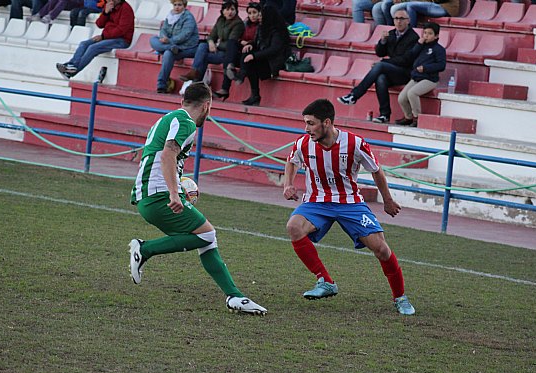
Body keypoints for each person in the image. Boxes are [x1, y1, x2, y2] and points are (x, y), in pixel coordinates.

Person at [129, 82, 268, 316]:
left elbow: (159, 156)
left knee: (206, 238)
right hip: (158, 195)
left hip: (150, 193)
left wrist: (180, 185)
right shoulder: (185, 122)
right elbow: (167, 155)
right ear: (207, 105)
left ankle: (235, 296)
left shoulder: (170, 118)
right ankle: (144, 249)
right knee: (206, 234)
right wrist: (174, 193)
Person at [283, 98, 415, 316]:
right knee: (294, 227)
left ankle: (400, 297)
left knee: (381, 249)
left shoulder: (354, 143)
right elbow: (291, 161)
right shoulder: (303, 143)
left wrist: (388, 200)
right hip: (317, 201)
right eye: (305, 123)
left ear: (327, 122)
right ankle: (325, 281)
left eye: (311, 123)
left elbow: (376, 171)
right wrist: (288, 184)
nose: (306, 129)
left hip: (350, 203)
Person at [336, 9, 418, 124]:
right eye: (396, 19)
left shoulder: (413, 37)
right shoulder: (391, 34)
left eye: (402, 19)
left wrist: (385, 62)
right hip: (392, 70)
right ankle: (385, 115)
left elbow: (406, 60)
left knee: (380, 66)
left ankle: (354, 95)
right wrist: (383, 41)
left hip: (406, 72)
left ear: (408, 21)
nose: (398, 21)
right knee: (380, 79)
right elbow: (379, 53)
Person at [230, 4, 291, 106]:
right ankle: (253, 92)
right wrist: (250, 45)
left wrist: (254, 56)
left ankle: (244, 79)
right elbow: (257, 42)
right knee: (246, 53)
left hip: (273, 63)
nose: (259, 18)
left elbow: (273, 49)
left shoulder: (277, 31)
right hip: (264, 58)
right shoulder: (262, 28)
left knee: (250, 60)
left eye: (261, 16)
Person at [56, 0, 134, 79]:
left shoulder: (126, 9)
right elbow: (99, 24)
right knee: (84, 44)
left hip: (122, 40)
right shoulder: (109, 6)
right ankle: (71, 66)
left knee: (93, 48)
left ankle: (72, 71)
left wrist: (103, 37)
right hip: (107, 37)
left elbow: (121, 30)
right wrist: (105, 13)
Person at [178, 0, 244, 84]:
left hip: (227, 54)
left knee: (203, 57)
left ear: (236, 11)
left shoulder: (238, 24)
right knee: (202, 46)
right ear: (223, 11)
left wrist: (217, 46)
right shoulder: (220, 20)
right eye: (227, 9)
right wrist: (211, 42)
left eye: (232, 9)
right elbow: (211, 35)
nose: (230, 12)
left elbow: (231, 43)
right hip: (218, 50)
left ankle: (196, 81)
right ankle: (194, 73)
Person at [396, 22, 446, 127]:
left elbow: (441, 65)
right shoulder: (421, 46)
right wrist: (418, 44)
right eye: (425, 33)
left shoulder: (439, 49)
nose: (426, 36)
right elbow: (411, 55)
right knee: (401, 98)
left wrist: (426, 68)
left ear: (436, 36)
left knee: (412, 93)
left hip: (430, 79)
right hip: (416, 77)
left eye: (430, 33)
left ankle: (417, 117)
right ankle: (408, 117)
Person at [214, 1, 261, 100]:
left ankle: (237, 78)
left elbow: (260, 42)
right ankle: (225, 85)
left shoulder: (262, 26)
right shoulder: (245, 24)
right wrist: (242, 42)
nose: (252, 16)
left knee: (244, 52)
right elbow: (238, 39)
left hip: (255, 54)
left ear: (259, 13)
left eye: (254, 12)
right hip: (243, 51)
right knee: (231, 46)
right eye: (250, 13)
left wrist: (249, 44)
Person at [150, 0, 199, 93]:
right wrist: (163, 37)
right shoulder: (170, 16)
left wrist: (169, 41)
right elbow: (163, 30)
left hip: (186, 47)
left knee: (168, 54)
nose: (177, 7)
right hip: (172, 45)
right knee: (153, 39)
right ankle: (169, 48)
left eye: (179, 5)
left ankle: (161, 85)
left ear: (184, 6)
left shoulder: (188, 17)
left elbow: (185, 35)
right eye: (175, 5)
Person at [389, 0, 459, 28]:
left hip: (446, 8)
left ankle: (411, 32)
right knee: (409, 5)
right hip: (436, 5)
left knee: (411, 6)